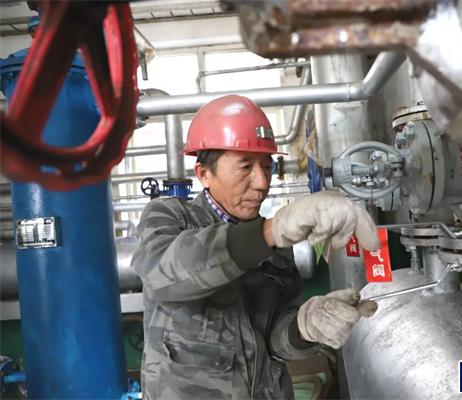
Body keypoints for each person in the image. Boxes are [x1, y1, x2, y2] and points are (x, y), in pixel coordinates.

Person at [132, 95, 380, 399]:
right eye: (245, 166)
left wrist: (305, 328)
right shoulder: (171, 216)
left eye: (266, 166)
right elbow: (163, 275)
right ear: (204, 174)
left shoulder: (274, 243)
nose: (262, 182)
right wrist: (270, 231)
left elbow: (274, 340)